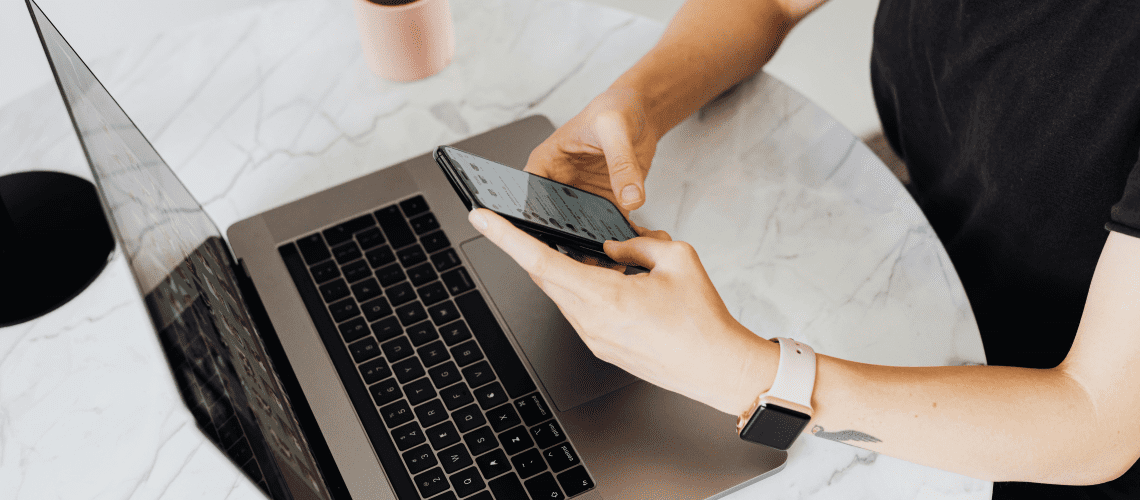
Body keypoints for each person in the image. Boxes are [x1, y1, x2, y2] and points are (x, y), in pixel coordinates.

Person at [468, 0, 1140, 498]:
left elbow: (1096, 422)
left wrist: (746, 376)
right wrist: (640, 103)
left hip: (1049, 413)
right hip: (923, 254)